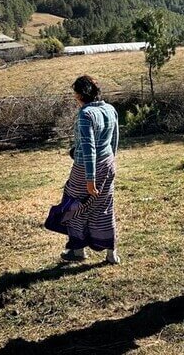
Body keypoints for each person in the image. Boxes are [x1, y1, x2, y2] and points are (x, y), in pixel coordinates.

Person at [60, 75, 121, 264]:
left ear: (79, 94)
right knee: (104, 206)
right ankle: (112, 253)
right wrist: (110, 162)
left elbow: (89, 147)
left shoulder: (85, 114)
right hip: (108, 164)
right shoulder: (110, 109)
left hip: (86, 168)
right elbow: (114, 140)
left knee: (73, 206)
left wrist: (90, 178)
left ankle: (78, 251)